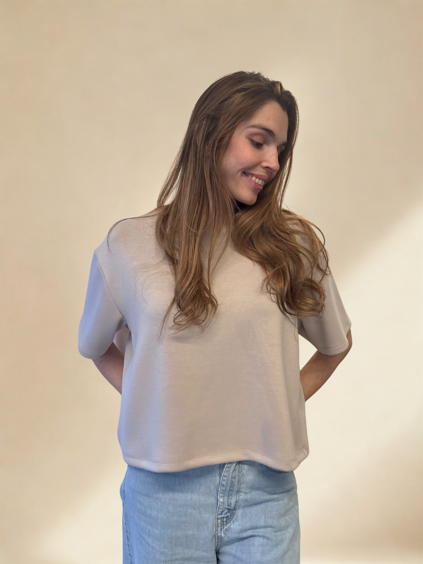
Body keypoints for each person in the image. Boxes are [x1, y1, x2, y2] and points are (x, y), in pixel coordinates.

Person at [78, 71, 353, 564]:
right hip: (163, 494)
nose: (273, 163)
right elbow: (95, 346)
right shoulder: (128, 246)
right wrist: (157, 400)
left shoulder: (294, 245)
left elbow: (335, 345)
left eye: (280, 150)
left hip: (266, 490)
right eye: (258, 141)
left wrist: (277, 399)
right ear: (210, 134)